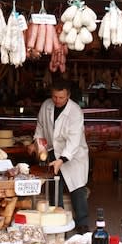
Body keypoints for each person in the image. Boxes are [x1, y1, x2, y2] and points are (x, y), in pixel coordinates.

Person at [28, 79, 90, 233]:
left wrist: (62, 159)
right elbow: (40, 127)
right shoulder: (46, 106)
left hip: (73, 156)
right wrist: (37, 143)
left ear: (68, 95)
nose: (57, 100)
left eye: (61, 98)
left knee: (77, 190)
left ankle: (82, 223)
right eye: (55, 97)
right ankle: (57, 221)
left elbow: (74, 140)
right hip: (52, 151)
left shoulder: (75, 111)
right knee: (55, 187)